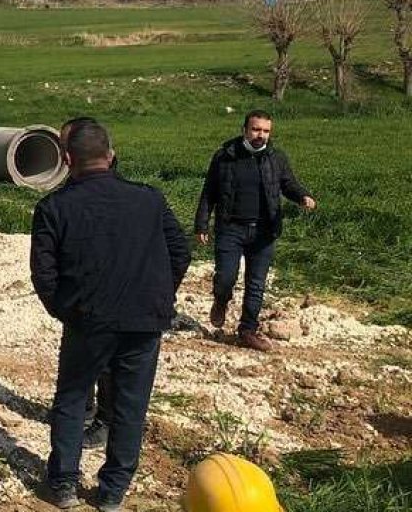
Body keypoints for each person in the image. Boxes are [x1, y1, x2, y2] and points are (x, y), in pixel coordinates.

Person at [31, 121, 191, 511]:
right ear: (112, 155)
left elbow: (44, 274)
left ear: (67, 160)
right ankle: (112, 492)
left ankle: (65, 485)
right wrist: (156, 297)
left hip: (88, 322)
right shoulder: (150, 200)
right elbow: (180, 252)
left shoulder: (54, 208)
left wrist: (65, 312)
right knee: (129, 406)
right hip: (143, 323)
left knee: (71, 399)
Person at [195, 110, 315, 352]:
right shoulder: (225, 156)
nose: (261, 135)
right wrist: (201, 224)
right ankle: (221, 299)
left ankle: (247, 331)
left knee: (256, 283)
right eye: (256, 130)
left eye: (266, 131)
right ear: (245, 130)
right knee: (226, 276)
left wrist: (302, 196)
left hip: (264, 231)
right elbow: (209, 192)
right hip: (230, 228)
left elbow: (287, 183)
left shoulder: (275, 158)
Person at [58, 117, 115, 450]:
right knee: (81, 365)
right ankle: (84, 409)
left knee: (107, 364)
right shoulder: (69, 191)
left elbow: (176, 251)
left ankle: (104, 421)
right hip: (80, 300)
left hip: (110, 298)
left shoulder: (120, 191)